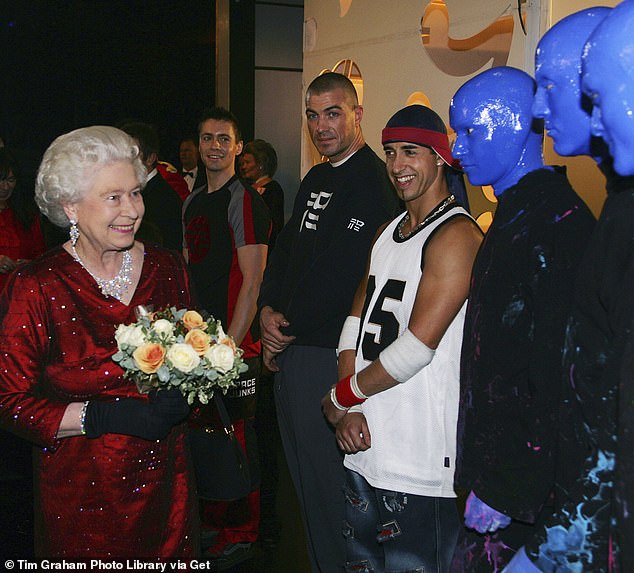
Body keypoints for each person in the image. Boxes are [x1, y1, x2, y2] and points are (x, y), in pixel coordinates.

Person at [0, 125, 198, 559]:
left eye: (135, 193)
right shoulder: (36, 286)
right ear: (70, 206)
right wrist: (101, 416)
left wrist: (188, 394)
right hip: (81, 496)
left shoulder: (168, 269)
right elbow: (10, 402)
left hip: (166, 484)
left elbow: (191, 355)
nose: (131, 209)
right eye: (113, 197)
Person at [321, 104, 482, 572]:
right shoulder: (387, 232)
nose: (396, 165)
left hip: (419, 454)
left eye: (410, 152)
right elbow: (356, 320)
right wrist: (348, 407)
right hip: (365, 439)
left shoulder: (457, 236)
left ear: (439, 159)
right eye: (390, 152)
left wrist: (340, 395)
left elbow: (417, 347)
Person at [448, 66, 595, 572]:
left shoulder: (554, 222)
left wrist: (508, 488)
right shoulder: (518, 215)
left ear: (514, 125)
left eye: (470, 130)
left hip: (519, 495)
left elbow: (558, 374)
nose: (457, 149)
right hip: (498, 478)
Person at [258, 72, 399, 572]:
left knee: (335, 499)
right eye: (313, 116)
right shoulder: (316, 178)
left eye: (333, 113)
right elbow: (286, 254)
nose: (321, 126)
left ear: (358, 114)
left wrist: (285, 328)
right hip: (293, 353)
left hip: (332, 359)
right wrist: (266, 311)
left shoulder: (378, 181)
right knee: (307, 497)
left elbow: (352, 280)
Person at [501, 9, 619, 572]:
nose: (539, 110)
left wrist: (560, 542)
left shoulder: (574, 223)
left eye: (553, 87)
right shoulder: (615, 211)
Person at [183, 107, 270, 569]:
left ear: (238, 147)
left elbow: (253, 283)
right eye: (206, 138)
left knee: (236, 438)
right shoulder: (191, 202)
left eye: (223, 139)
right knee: (205, 439)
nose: (214, 146)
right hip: (197, 347)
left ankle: (242, 532)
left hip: (235, 348)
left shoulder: (246, 201)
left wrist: (228, 349)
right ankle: (215, 522)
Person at [119, 121, 184, 251]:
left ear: (150, 158)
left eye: (132, 153)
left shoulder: (165, 199)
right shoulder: (128, 192)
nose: (123, 160)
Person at [0, 148, 46, 292]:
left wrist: (30, 265)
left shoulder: (26, 215)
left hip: (21, 293)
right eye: (0, 180)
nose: (5, 187)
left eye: (10, 180)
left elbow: (42, 256)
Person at [240, 139, 285, 252]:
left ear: (260, 164)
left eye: (248, 162)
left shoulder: (273, 190)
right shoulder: (244, 188)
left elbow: (275, 226)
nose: (243, 167)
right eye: (243, 163)